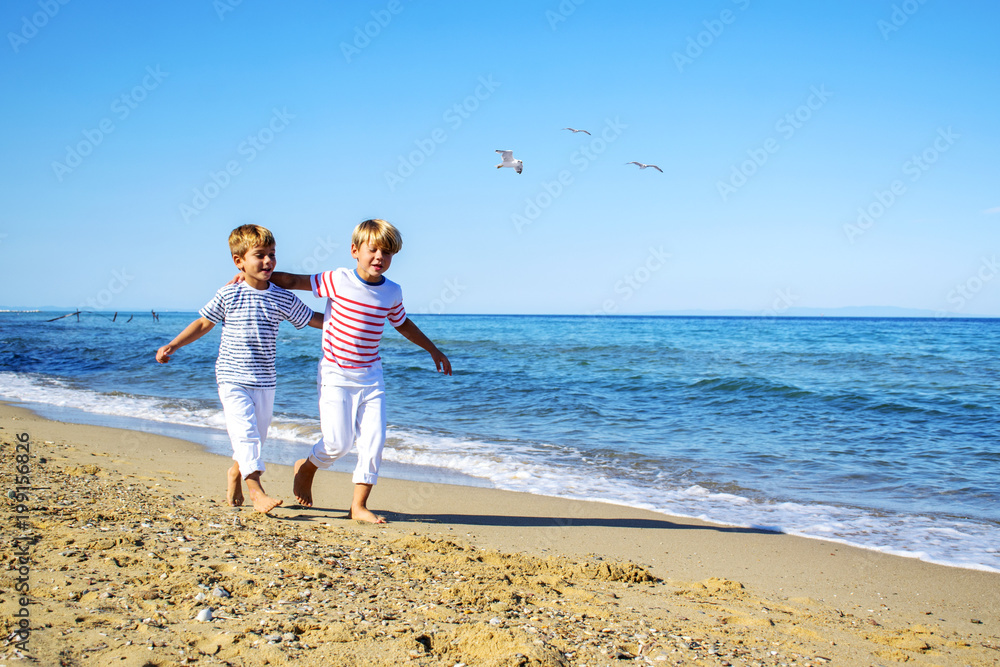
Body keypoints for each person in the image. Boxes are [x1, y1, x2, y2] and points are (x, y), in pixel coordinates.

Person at [267, 218, 452, 523]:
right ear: (355, 250)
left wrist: (432, 349)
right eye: (374, 249)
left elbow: (402, 322)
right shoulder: (337, 279)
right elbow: (292, 281)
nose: (380, 257)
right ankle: (307, 467)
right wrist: (254, 277)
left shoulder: (392, 291)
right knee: (338, 443)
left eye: (388, 253)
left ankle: (358, 505)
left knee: (373, 440)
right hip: (335, 374)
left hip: (371, 376)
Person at [155, 224, 323, 514]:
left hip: (265, 381)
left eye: (272, 254)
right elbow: (203, 323)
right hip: (232, 377)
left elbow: (312, 318)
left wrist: (353, 317)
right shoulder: (229, 294)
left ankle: (235, 473)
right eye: (260, 255)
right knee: (245, 434)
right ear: (239, 261)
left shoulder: (281, 297)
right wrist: (173, 345)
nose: (268, 261)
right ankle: (257, 491)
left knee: (254, 438)